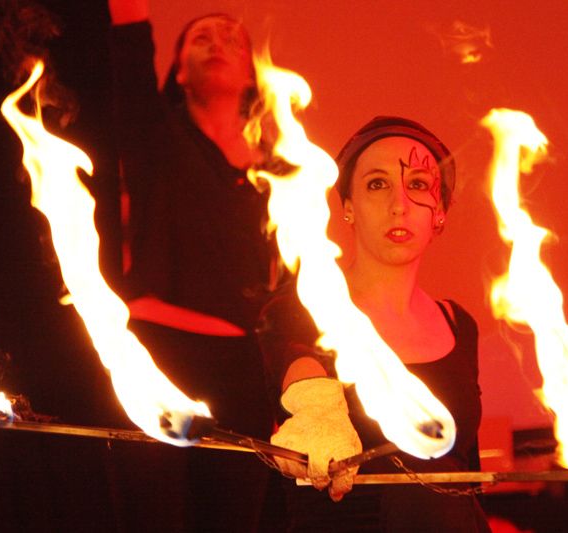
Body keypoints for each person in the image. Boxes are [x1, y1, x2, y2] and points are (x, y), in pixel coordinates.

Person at [257, 116, 492, 531]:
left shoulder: (459, 324)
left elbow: (467, 480)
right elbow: (298, 367)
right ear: (348, 207)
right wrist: (314, 405)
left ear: (439, 211)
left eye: (417, 184)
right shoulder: (305, 307)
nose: (398, 204)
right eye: (377, 184)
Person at [109, 1, 279, 530]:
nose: (217, 44)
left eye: (232, 39)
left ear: (254, 73)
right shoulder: (156, 136)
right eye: (200, 37)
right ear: (178, 69)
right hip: (161, 353)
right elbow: (130, 50)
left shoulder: (281, 169)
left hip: (246, 373)